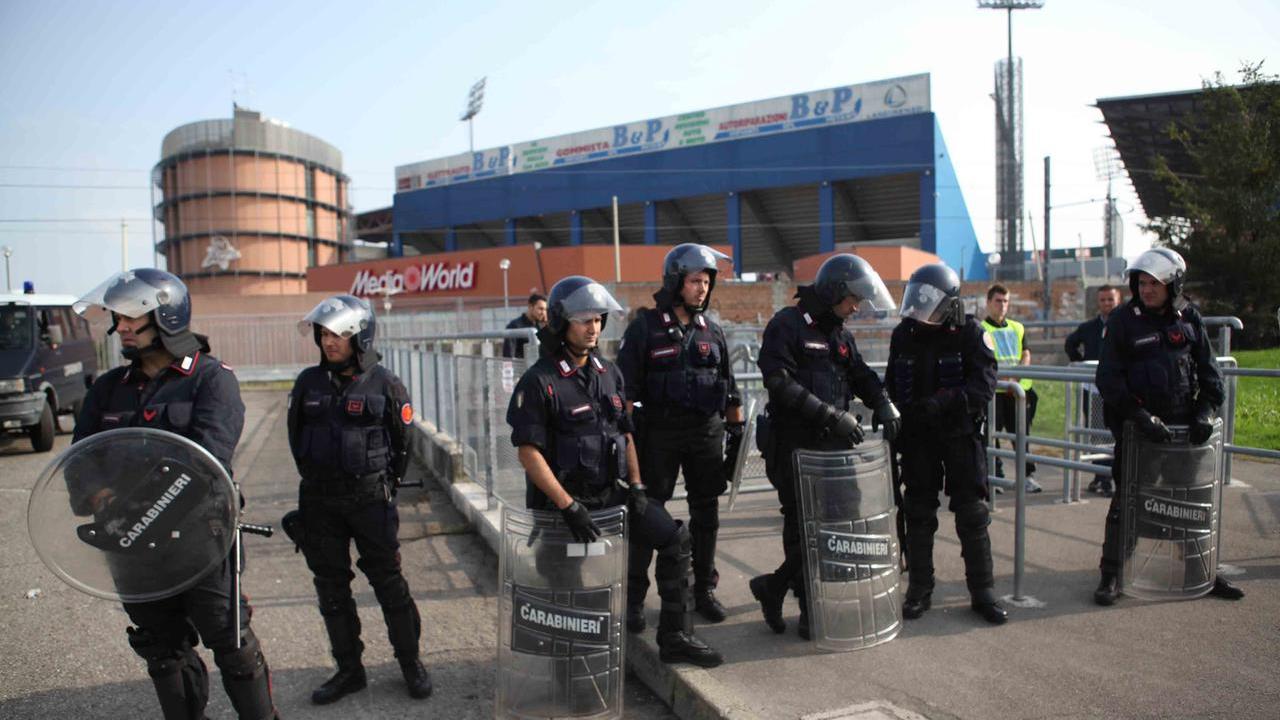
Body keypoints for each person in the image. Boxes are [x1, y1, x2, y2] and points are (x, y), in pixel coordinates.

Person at [71, 269, 279, 720]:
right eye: (117, 318)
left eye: (131, 318)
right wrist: (99, 496)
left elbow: (210, 456)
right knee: (161, 651)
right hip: (130, 547)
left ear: (165, 317)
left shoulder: (211, 379)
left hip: (199, 540)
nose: (120, 327)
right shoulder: (107, 389)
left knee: (233, 645)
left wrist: (148, 505)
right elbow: (79, 459)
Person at [506, 275, 723, 667]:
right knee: (572, 595)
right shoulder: (540, 382)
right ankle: (571, 669)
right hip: (564, 511)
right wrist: (569, 507)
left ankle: (675, 636)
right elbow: (529, 454)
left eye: (599, 319)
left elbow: (625, 434)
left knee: (675, 539)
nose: (594, 328)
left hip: (611, 495)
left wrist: (637, 487)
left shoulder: (609, 373)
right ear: (560, 322)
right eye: (584, 319)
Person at [285, 294, 432, 704]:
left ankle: (410, 663)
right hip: (319, 503)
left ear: (360, 337)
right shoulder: (307, 383)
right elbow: (296, 440)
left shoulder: (386, 383)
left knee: (390, 585)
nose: (330, 342)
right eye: (324, 334)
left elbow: (403, 445)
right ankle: (349, 670)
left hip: (370, 501)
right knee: (331, 589)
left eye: (339, 335)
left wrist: (381, 485)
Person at [750, 254, 902, 639]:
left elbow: (861, 374)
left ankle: (774, 587)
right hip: (795, 447)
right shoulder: (787, 325)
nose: (856, 307)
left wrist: (882, 401)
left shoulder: (839, 333)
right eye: (853, 299)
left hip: (833, 449)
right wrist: (830, 416)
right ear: (834, 291)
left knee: (836, 527)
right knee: (802, 528)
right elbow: (779, 383)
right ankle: (807, 604)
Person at [1092, 248, 1244, 605]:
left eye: (1154, 283)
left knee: (1189, 502)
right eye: (1142, 282)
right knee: (1126, 504)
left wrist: (1205, 412)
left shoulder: (1188, 317)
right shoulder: (1122, 321)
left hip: (1183, 433)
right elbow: (1109, 379)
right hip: (1139, 431)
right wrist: (1140, 417)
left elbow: (1211, 376)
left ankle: (1200, 571)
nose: (1146, 290)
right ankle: (1111, 575)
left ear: (1172, 284)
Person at [617, 244, 743, 630]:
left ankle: (702, 590)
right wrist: (627, 442)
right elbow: (623, 393)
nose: (702, 289)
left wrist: (735, 435)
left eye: (706, 282)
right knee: (646, 515)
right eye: (694, 281)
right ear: (676, 282)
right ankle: (634, 600)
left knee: (707, 513)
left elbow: (730, 390)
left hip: (705, 433)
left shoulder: (713, 331)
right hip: (659, 434)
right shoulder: (645, 328)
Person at [887, 263, 1008, 625]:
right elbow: (893, 381)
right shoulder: (904, 334)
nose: (921, 307)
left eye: (928, 299)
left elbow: (983, 387)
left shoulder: (970, 333)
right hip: (917, 439)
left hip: (959, 436)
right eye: (917, 298)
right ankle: (919, 590)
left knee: (972, 514)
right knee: (918, 514)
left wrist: (943, 403)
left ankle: (982, 591)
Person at [981, 284, 1042, 493]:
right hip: (994, 392)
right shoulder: (981, 329)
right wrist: (1002, 379)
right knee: (991, 435)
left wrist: (1015, 377)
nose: (1002, 305)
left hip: (1017, 390)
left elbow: (1026, 353)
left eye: (1005, 301)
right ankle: (995, 477)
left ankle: (1027, 476)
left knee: (1021, 435)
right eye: (998, 301)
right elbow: (982, 360)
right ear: (988, 302)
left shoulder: (1017, 327)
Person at [1065, 285, 1123, 495]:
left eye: (1111, 299)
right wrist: (1081, 363)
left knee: (1115, 432)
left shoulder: (1125, 325)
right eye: (1103, 300)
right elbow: (1070, 344)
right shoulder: (1089, 327)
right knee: (1096, 433)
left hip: (1117, 388)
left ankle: (1114, 476)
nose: (1107, 304)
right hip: (1094, 388)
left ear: (1118, 300)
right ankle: (1101, 476)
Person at [501, 292, 548, 358]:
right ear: (530, 306)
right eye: (540, 309)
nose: (543, 313)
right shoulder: (514, 326)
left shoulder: (540, 326)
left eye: (545, 309)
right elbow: (508, 355)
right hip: (521, 367)